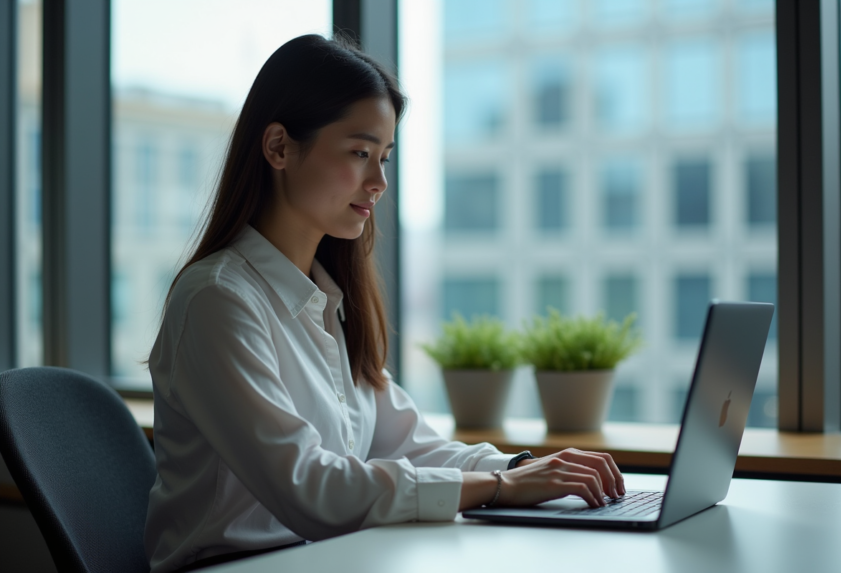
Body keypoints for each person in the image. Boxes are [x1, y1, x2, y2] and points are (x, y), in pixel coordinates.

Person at [144, 34, 625, 573]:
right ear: (278, 147)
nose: (379, 182)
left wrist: (524, 468)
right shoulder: (218, 300)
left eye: (385, 158)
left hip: (325, 558)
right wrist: (499, 487)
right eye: (359, 153)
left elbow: (410, 445)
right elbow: (310, 486)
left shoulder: (327, 301)